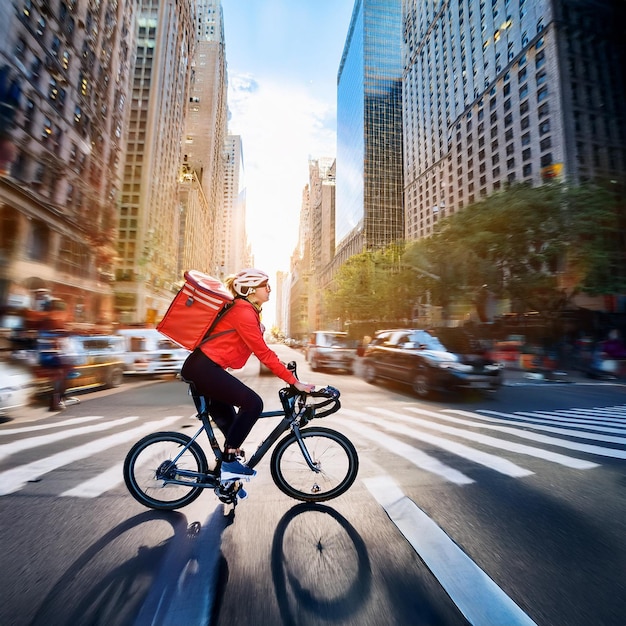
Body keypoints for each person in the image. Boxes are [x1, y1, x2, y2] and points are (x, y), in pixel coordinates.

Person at [180, 268, 315, 482]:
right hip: (203, 369)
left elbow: (259, 351)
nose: (269, 289)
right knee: (253, 404)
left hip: (205, 368)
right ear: (251, 290)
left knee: (233, 425)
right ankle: (229, 465)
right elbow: (264, 353)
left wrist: (288, 374)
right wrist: (294, 382)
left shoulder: (247, 311)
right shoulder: (243, 312)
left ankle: (224, 479)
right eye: (265, 285)